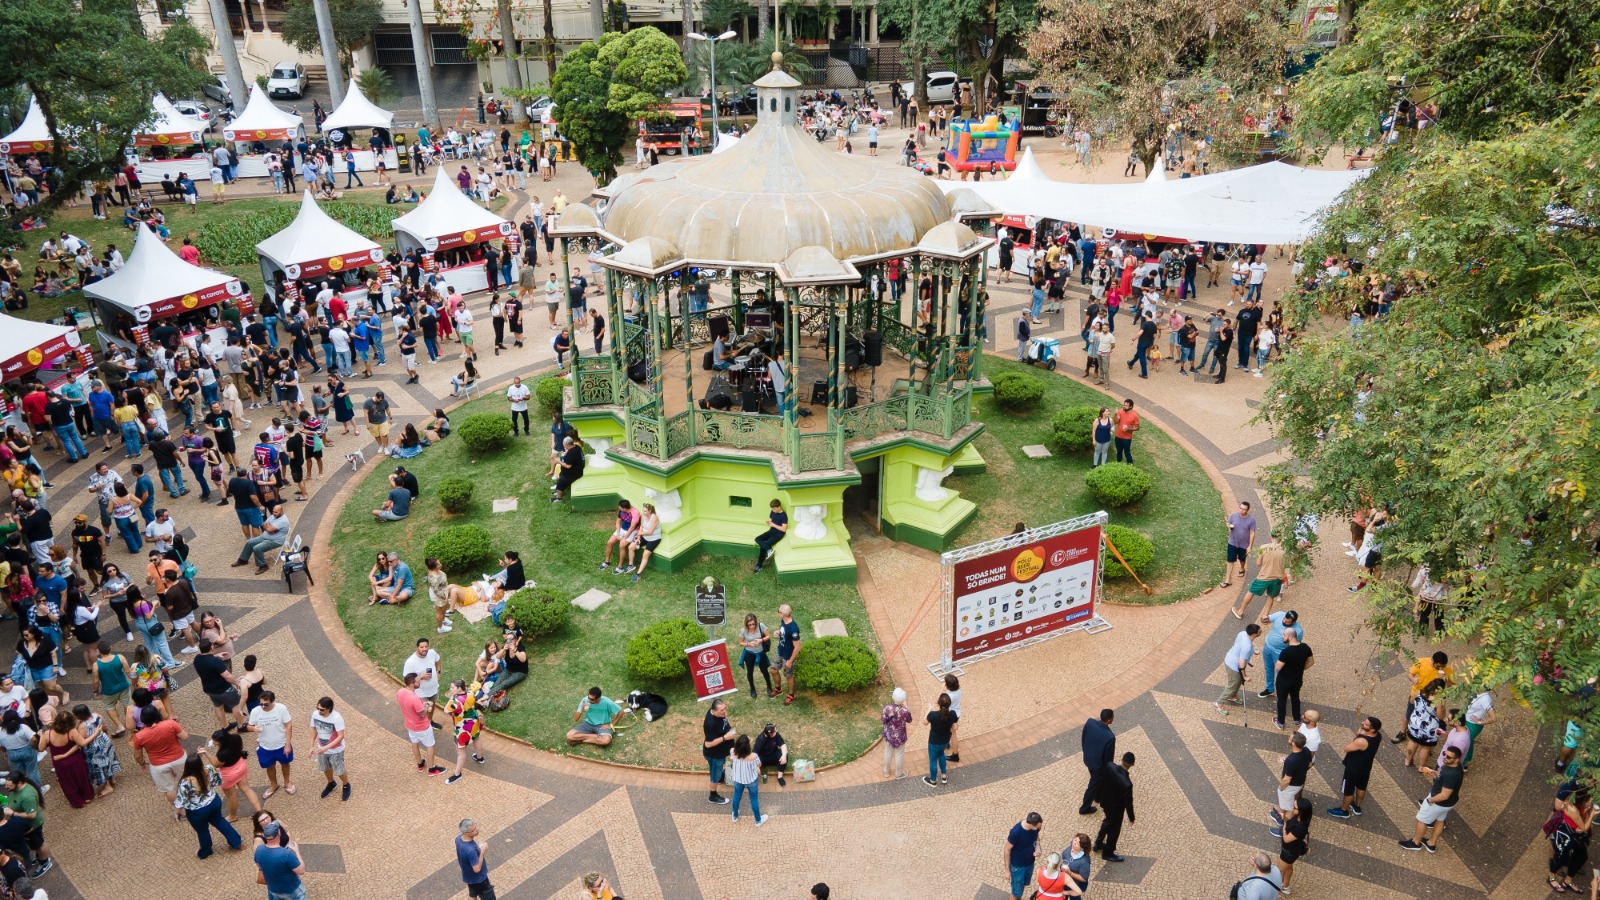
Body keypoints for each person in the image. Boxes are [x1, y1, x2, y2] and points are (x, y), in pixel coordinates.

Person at [1400, 745, 1464, 852]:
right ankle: (1431, 843)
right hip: (1449, 803)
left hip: (1438, 802)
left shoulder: (1450, 774)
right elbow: (1442, 780)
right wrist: (1433, 775)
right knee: (1440, 820)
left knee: (1421, 819)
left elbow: (1444, 795)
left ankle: (1415, 842)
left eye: (1449, 757)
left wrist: (1430, 800)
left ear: (1456, 759)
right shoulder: (1456, 767)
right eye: (1445, 754)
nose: (1445, 757)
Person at [242, 690, 294, 799]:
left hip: (281, 744)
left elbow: (288, 725)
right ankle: (273, 784)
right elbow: (249, 726)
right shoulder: (256, 711)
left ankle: (287, 782)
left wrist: (288, 744)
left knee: (285, 764)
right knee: (269, 767)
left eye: (266, 704)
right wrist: (253, 728)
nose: (263, 706)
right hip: (265, 746)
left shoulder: (281, 708)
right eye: (261, 704)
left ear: (273, 701)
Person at [1328, 716, 1382, 818]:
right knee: (1362, 786)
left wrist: (1358, 736)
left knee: (1348, 790)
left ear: (1372, 729)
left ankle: (1343, 810)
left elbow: (1347, 748)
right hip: (1366, 767)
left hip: (1353, 769)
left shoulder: (1361, 741)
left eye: (1365, 724)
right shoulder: (1378, 735)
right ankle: (1357, 806)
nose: (1362, 723)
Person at [398, 672, 445, 776]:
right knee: (430, 745)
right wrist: (428, 707)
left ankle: (420, 764)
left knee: (414, 743)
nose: (419, 682)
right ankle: (432, 769)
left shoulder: (401, 692)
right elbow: (422, 714)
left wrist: (423, 704)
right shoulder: (414, 698)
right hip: (422, 727)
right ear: (411, 684)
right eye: (417, 681)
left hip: (410, 726)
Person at [1094, 751, 1135, 861]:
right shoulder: (1127, 784)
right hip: (1116, 809)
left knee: (1107, 821)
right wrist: (1131, 818)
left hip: (1106, 802)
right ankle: (1108, 853)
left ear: (1122, 760)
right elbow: (1128, 803)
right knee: (1114, 831)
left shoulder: (1110, 766)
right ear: (1132, 765)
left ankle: (1098, 843)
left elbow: (1102, 781)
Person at [1234, 534, 1288, 618]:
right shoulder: (1285, 550)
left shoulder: (1263, 547)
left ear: (1271, 538)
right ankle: (1265, 616)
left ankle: (1240, 611)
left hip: (1264, 577)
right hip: (1278, 579)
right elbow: (1288, 564)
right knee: (1271, 596)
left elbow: (1258, 563)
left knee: (1251, 591)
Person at [443, 679, 484, 785]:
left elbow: (446, 710)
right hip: (473, 721)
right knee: (477, 738)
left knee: (461, 751)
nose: (450, 689)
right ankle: (480, 757)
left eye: (452, 688)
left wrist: (452, 698)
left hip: (462, 727)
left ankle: (457, 774)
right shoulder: (470, 693)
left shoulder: (455, 702)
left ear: (459, 688)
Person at [1272, 628, 1314, 730]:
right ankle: (1297, 719)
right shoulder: (1305, 647)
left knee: (1282, 701)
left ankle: (1281, 722)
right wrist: (1301, 669)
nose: (1283, 637)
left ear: (1290, 637)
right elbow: (1311, 662)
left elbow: (1277, 667)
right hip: (1297, 680)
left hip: (1284, 681)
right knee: (1295, 698)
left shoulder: (1286, 652)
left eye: (1284, 635)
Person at [255, 821, 306, 900]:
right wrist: (297, 851)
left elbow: (259, 866)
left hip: (273, 889)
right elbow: (301, 871)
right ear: (279, 833)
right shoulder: (286, 854)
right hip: (292, 890)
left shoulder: (259, 849)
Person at [311, 696, 349, 800]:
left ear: (329, 708)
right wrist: (311, 746)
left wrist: (326, 747)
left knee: (339, 770)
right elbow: (314, 729)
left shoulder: (336, 718)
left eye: (322, 709)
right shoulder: (315, 714)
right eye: (317, 708)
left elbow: (341, 735)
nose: (319, 711)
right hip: (322, 748)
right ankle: (331, 783)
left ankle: (346, 785)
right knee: (325, 768)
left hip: (336, 750)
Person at [1257, 609, 1302, 698]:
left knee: (1281, 673)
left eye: (1287, 622)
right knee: (1268, 668)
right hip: (1268, 646)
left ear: (1293, 622)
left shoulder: (1298, 631)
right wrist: (1263, 619)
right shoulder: (1280, 615)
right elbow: (1266, 620)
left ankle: (1282, 691)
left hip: (1280, 653)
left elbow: (1295, 645)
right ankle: (1269, 689)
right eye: (1284, 619)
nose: (1284, 622)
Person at [1215, 623, 1260, 712]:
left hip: (1230, 659)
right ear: (1254, 634)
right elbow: (1241, 663)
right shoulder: (1247, 647)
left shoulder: (1243, 633)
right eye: (1259, 631)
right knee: (1232, 686)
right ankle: (1219, 703)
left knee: (1238, 682)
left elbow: (1243, 644)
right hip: (1234, 666)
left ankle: (1233, 696)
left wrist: (1253, 648)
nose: (1261, 631)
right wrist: (1245, 676)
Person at [234, 502, 289, 573]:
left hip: (275, 541)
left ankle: (263, 566)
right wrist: (269, 528)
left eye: (276, 512)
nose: (274, 513)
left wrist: (269, 528)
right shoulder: (274, 516)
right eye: (273, 511)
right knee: (249, 542)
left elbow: (268, 529)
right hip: (266, 537)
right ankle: (243, 560)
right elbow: (264, 524)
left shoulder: (283, 521)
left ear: (281, 511)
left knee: (257, 548)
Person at [1079, 708, 1116, 815]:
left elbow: (1083, 738)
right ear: (1109, 720)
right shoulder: (1110, 737)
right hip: (1099, 766)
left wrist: (1086, 752)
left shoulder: (1090, 722)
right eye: (1113, 717)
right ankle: (1084, 808)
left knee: (1096, 781)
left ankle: (1098, 797)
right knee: (1093, 785)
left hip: (1088, 758)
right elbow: (1108, 758)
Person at [727, 734, 767, 826]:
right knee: (754, 800)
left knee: (736, 797)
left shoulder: (732, 751)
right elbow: (759, 764)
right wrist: (756, 768)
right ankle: (758, 820)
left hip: (738, 779)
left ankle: (735, 816)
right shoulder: (754, 756)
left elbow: (733, 758)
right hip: (751, 781)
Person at [402, 638, 442, 729]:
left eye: (426, 646)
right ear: (417, 647)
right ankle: (422, 727)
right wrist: (420, 677)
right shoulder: (411, 662)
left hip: (433, 688)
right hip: (420, 692)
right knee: (422, 710)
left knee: (432, 704)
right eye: (421, 647)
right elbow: (406, 680)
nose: (424, 649)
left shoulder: (432, 653)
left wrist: (438, 672)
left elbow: (438, 660)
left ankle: (430, 721)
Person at [702, 698, 735, 804]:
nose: (724, 712)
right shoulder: (710, 724)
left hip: (721, 751)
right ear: (714, 711)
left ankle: (720, 777)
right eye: (721, 710)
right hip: (715, 756)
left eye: (724, 709)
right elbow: (708, 744)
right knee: (714, 776)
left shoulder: (717, 713)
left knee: (718, 771)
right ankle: (713, 796)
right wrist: (726, 737)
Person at [1005, 812, 1043, 900]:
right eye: (1037, 827)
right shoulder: (1016, 832)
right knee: (1016, 893)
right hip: (1018, 866)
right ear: (1031, 825)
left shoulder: (1035, 828)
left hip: (1030, 863)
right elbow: (1007, 849)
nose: (1039, 829)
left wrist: (1037, 848)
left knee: (1024, 885)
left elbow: (1037, 838)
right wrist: (1007, 870)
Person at [924, 692, 957, 787]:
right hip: (945, 741)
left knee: (933, 760)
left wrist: (929, 709)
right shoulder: (952, 714)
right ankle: (944, 776)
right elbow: (954, 727)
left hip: (934, 742)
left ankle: (933, 780)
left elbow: (924, 722)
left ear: (938, 704)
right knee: (941, 754)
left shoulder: (933, 715)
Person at [456, 818, 495, 900]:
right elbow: (477, 869)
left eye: (476, 826)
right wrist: (482, 851)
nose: (477, 830)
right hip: (479, 879)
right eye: (474, 830)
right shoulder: (471, 851)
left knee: (473, 894)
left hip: (469, 877)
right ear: (466, 833)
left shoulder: (458, 839)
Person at [600, 500, 640, 574]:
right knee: (609, 542)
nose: (619, 507)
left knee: (622, 545)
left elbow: (632, 527)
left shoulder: (635, 513)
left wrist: (624, 538)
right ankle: (607, 561)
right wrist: (618, 533)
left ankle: (620, 567)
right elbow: (618, 521)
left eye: (620, 507)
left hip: (632, 531)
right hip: (622, 529)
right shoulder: (621, 511)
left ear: (624, 508)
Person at [1223, 501, 1257, 587]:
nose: (1241, 510)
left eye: (1244, 509)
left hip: (1244, 544)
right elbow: (1228, 522)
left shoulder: (1251, 520)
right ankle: (1228, 580)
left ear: (1248, 510)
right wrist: (1229, 525)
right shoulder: (1234, 515)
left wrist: (1250, 546)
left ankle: (1242, 568)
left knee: (1242, 559)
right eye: (1240, 508)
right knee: (1230, 560)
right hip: (1232, 542)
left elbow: (1252, 533)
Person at [753, 499, 787, 574]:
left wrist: (773, 525)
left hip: (778, 534)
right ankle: (769, 550)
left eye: (774, 508)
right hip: (771, 531)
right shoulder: (773, 511)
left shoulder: (783, 515)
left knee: (763, 546)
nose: (773, 510)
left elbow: (784, 529)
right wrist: (769, 522)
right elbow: (772, 520)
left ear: (779, 507)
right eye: (772, 509)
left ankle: (759, 565)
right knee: (757, 539)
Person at [1112, 399, 1139, 464]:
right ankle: (1119, 464)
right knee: (1119, 451)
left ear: (1131, 407)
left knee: (1127, 452)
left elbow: (1137, 427)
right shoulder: (1120, 411)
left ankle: (1130, 465)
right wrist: (1116, 414)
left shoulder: (1134, 416)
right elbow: (1115, 422)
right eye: (1124, 405)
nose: (1124, 406)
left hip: (1127, 438)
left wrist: (1129, 429)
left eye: (1126, 406)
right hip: (1118, 436)